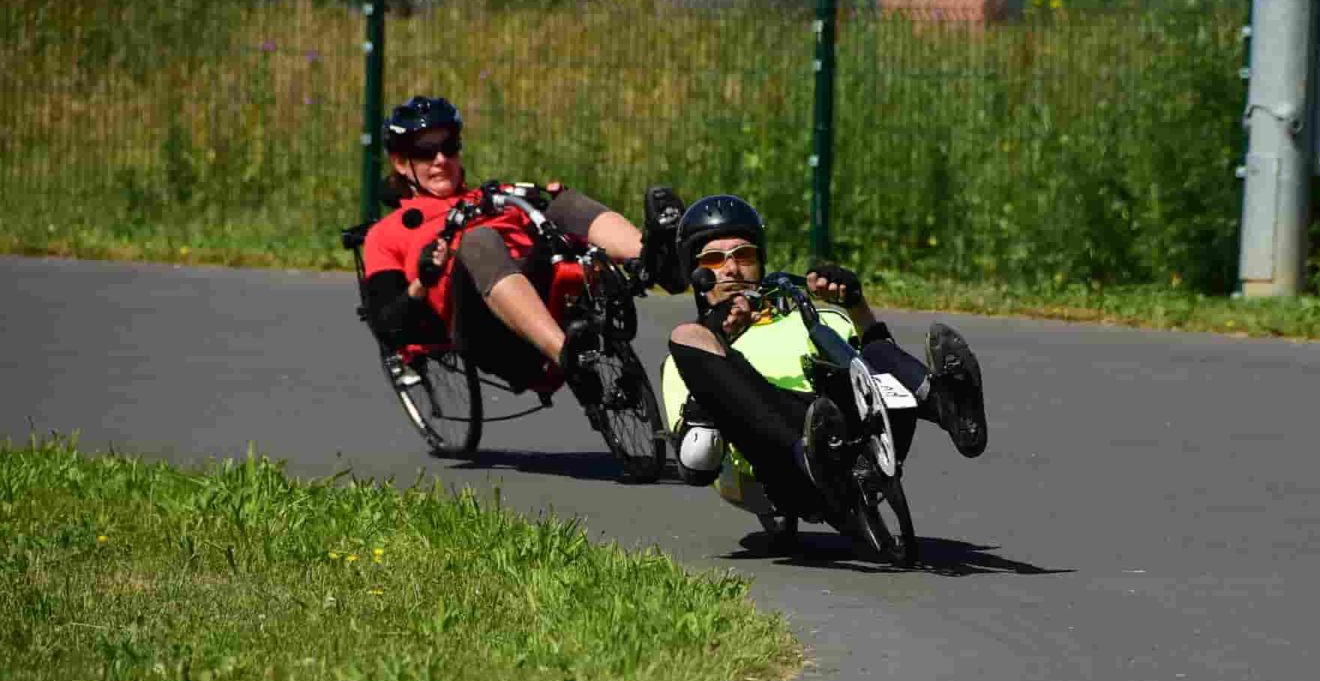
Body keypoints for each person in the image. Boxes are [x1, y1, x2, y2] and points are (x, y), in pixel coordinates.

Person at [660, 194, 987, 527]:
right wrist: (719, 340)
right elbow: (698, 462)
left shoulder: (814, 317)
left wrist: (855, 305)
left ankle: (950, 405)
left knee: (869, 353)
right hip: (776, 468)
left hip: (851, 434)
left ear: (761, 260)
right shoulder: (692, 354)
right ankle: (811, 456)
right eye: (714, 260)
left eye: (743, 255)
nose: (732, 268)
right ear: (696, 273)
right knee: (685, 334)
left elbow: (883, 379)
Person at [361, 95, 683, 400]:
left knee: (561, 203)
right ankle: (565, 356)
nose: (441, 160)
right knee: (479, 240)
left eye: (449, 147)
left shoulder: (490, 196)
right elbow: (389, 327)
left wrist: (549, 203)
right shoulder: (388, 233)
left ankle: (655, 260)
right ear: (402, 163)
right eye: (425, 152)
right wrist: (423, 281)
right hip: (488, 328)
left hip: (538, 281)